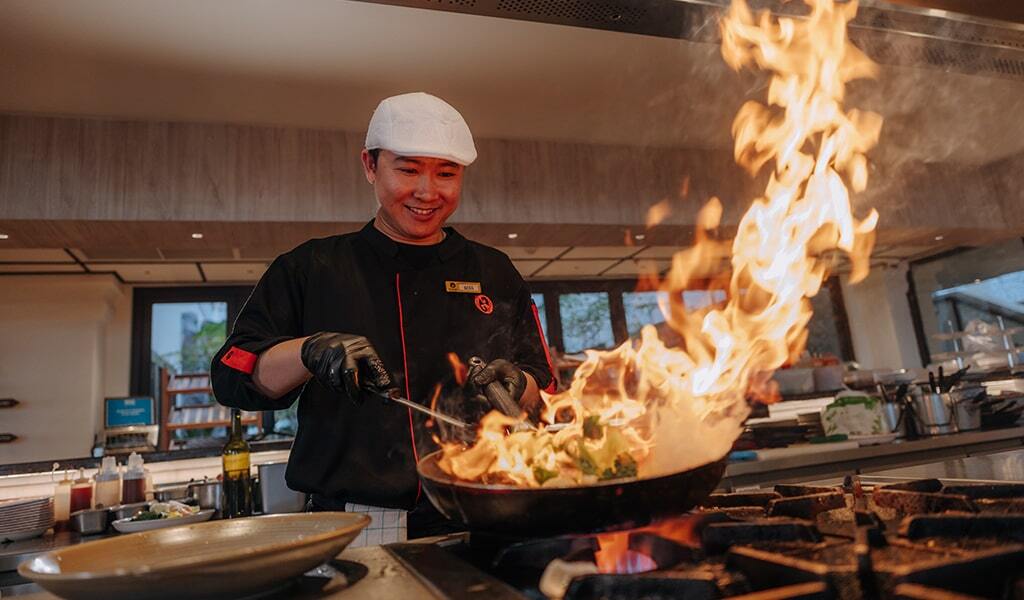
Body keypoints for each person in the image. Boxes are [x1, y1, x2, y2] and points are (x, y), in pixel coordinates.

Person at [211, 92, 556, 541]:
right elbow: (232, 375)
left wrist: (520, 386)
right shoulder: (311, 267)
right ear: (370, 166)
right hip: (360, 523)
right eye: (408, 169)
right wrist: (309, 351)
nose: (428, 192)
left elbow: (544, 387)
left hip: (488, 508)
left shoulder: (493, 270)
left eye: (446, 173)